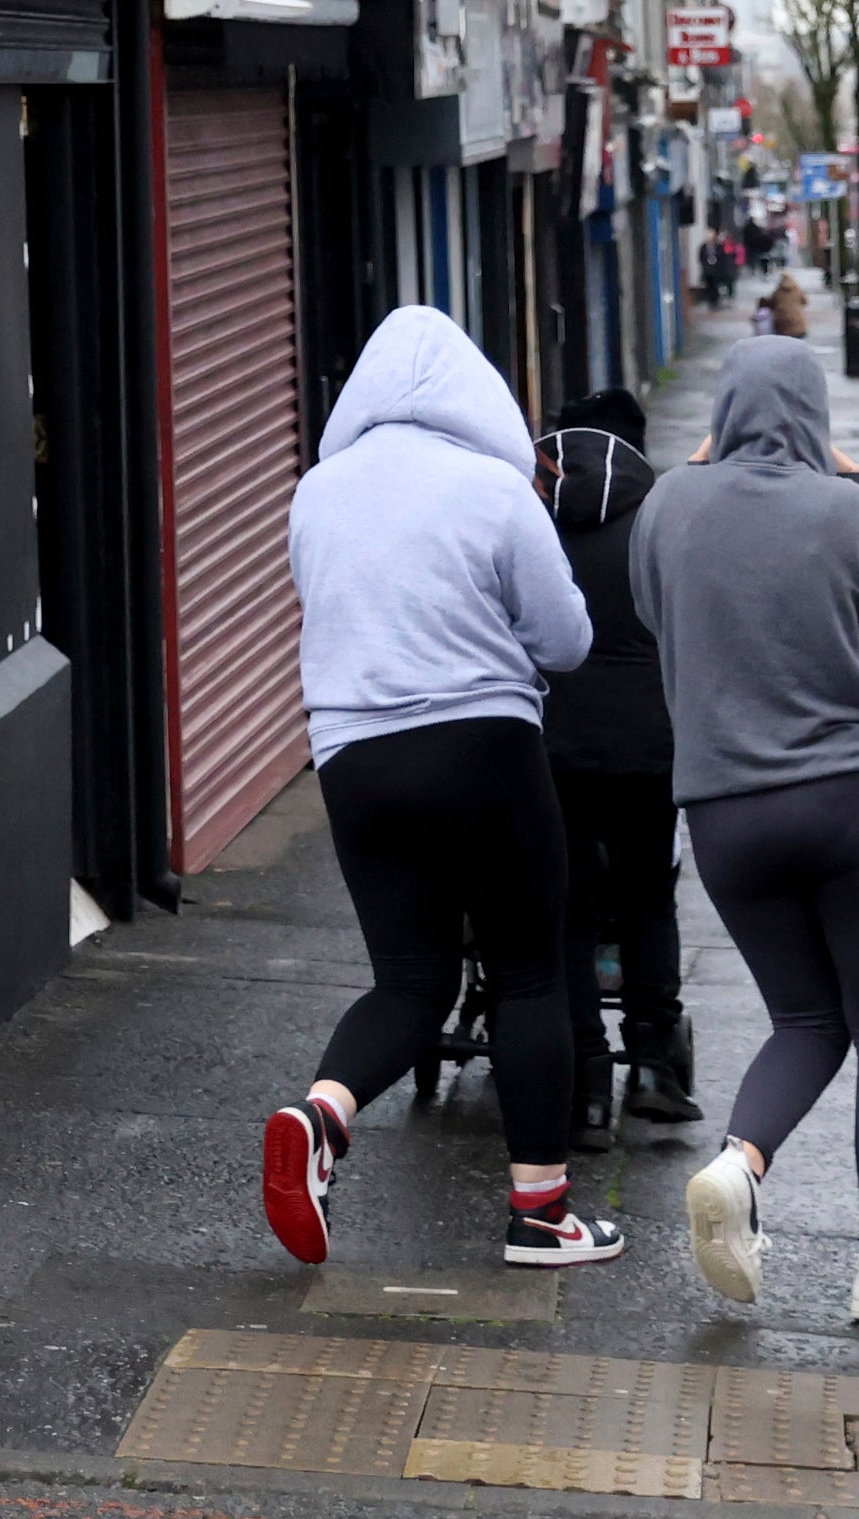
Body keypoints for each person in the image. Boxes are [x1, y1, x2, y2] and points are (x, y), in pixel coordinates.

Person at [263, 307, 616, 1272]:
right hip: (484, 749)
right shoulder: (495, 490)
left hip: (353, 761)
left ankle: (322, 1113)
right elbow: (568, 642)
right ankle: (542, 1218)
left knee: (412, 979)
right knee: (530, 972)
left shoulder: (316, 493)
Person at [637, 334, 859, 1329]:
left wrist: (701, 467)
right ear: (815, 414)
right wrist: (836, 478)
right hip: (852, 800)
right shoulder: (849, 510)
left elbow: (655, 609)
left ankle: (739, 1163)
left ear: (720, 411)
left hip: (725, 812)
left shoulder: (669, 506)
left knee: (806, 1018)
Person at [540, 391, 695, 1130]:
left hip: (556, 746)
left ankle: (587, 1082)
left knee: (567, 908)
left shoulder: (533, 516)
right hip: (651, 749)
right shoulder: (667, 521)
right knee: (645, 899)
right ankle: (656, 1068)